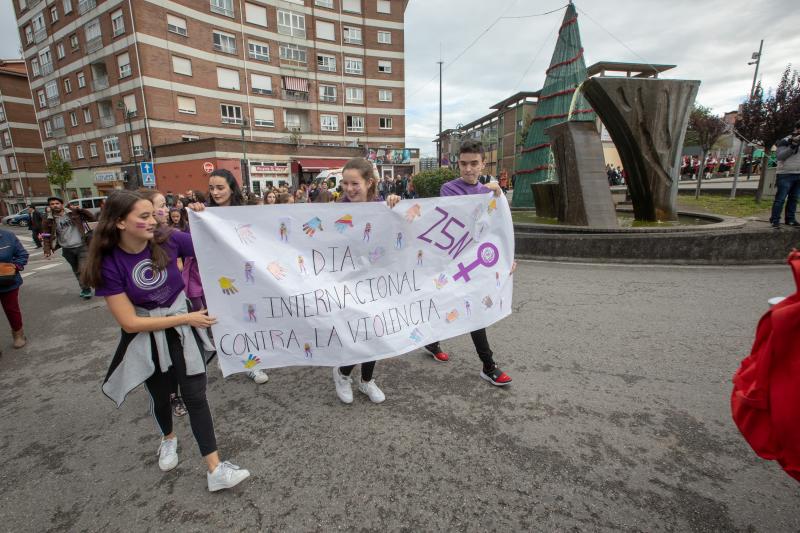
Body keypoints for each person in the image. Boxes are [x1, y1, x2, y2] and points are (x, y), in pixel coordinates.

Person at [82, 191, 249, 491]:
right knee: (161, 396)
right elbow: (130, 322)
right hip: (147, 337)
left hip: (184, 331)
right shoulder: (109, 262)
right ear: (120, 222)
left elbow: (216, 241)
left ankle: (215, 469)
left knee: (196, 396)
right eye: (143, 216)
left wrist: (206, 214)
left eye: (153, 214)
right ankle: (168, 438)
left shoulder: (167, 239)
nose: (153, 220)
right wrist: (186, 318)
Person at [433, 139, 514, 386]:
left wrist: (508, 258)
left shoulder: (492, 193)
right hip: (451, 262)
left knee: (474, 310)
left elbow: (499, 229)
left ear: (483, 164)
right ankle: (431, 341)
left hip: (477, 265)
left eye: (474, 164)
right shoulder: (449, 189)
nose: (468, 169)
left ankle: (488, 366)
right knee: (440, 302)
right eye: (463, 164)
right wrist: (487, 195)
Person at [331, 158, 401, 404]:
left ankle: (367, 380)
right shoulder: (335, 210)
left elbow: (400, 229)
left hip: (376, 283)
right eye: (345, 183)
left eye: (354, 183)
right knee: (355, 332)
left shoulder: (381, 208)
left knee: (375, 331)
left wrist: (395, 204)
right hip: (347, 284)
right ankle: (342, 373)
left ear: (369, 182)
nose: (349, 189)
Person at [198, 169, 268, 384]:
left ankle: (251, 364)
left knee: (250, 319)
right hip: (220, 278)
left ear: (231, 188)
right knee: (224, 318)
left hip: (246, 275)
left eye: (220, 187)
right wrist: (196, 212)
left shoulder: (244, 212)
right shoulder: (204, 214)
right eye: (212, 188)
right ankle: (228, 356)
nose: (216, 192)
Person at [42, 196, 96, 299]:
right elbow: (46, 234)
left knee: (83, 269)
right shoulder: (48, 218)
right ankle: (85, 289)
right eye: (52, 204)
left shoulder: (73, 212)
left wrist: (80, 209)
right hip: (66, 248)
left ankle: (90, 285)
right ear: (49, 206)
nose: (55, 205)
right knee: (76, 270)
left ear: (61, 204)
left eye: (57, 203)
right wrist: (47, 250)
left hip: (82, 246)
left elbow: (92, 218)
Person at [0, 227, 28, 353]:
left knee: (11, 309)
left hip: (8, 281)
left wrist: (15, 266)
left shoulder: (8, 236)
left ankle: (18, 334)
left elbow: (22, 254)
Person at [771, 120, 800, 229]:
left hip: (799, 173)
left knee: (794, 198)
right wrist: (793, 145)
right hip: (785, 174)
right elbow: (780, 156)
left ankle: (790, 219)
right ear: (797, 129)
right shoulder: (786, 140)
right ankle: (775, 220)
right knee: (781, 198)